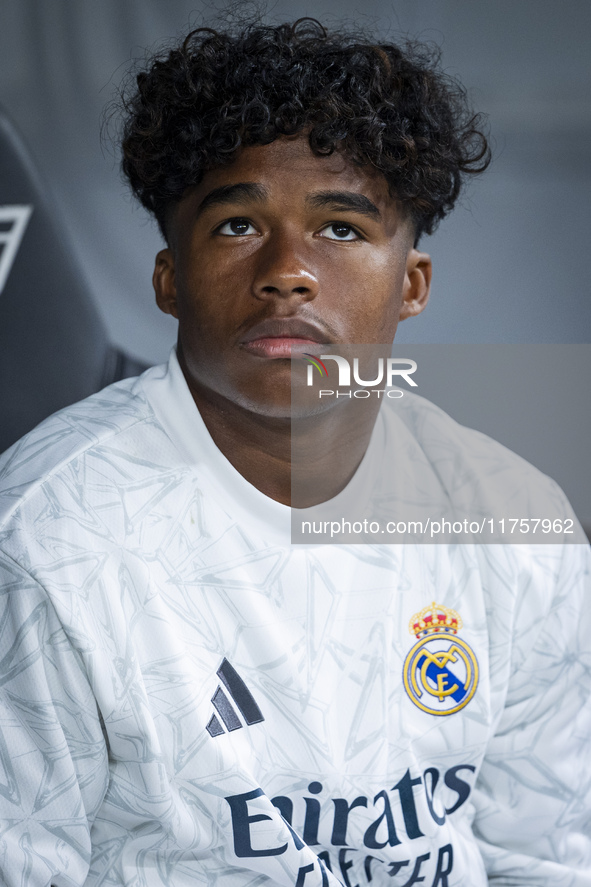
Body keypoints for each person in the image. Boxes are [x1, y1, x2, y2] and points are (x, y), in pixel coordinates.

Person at [0, 18, 589, 887]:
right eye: (237, 224)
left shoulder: (516, 520)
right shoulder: (45, 540)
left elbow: (539, 857)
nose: (288, 270)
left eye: (341, 229)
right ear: (169, 279)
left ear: (411, 285)